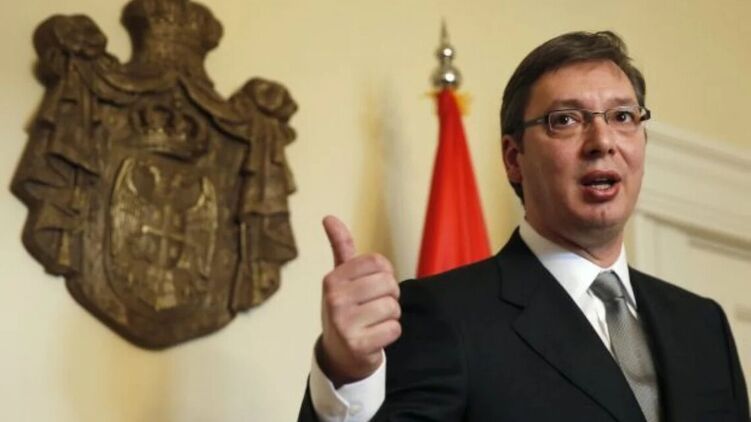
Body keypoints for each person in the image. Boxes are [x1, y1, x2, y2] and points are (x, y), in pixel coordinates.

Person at [298, 31, 750, 421]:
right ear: (514, 159)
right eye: (565, 120)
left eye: (622, 116)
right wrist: (348, 374)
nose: (602, 141)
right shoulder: (442, 315)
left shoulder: (703, 325)